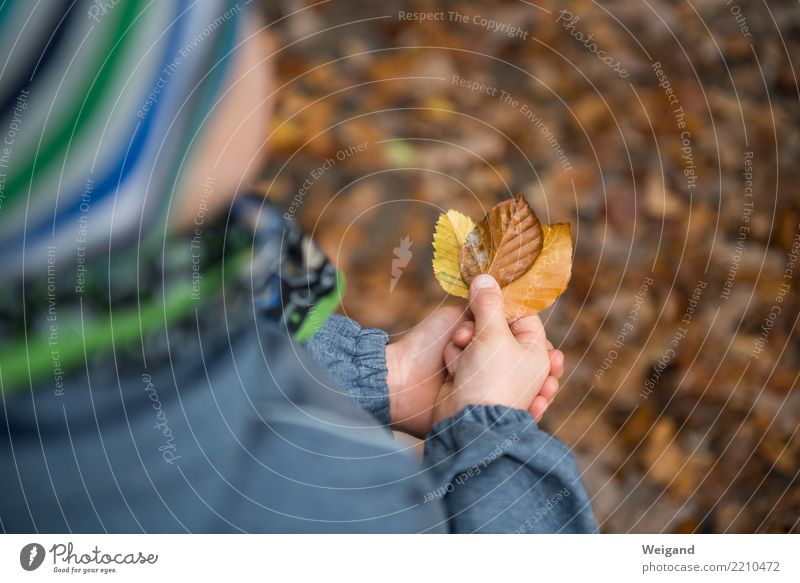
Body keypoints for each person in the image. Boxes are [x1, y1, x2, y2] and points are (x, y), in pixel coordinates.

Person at [0, 1, 595, 533]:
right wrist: (491, 434)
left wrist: (380, 379)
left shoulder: (120, 321)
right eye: (228, 29)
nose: (262, 40)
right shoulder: (299, 512)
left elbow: (230, 370)